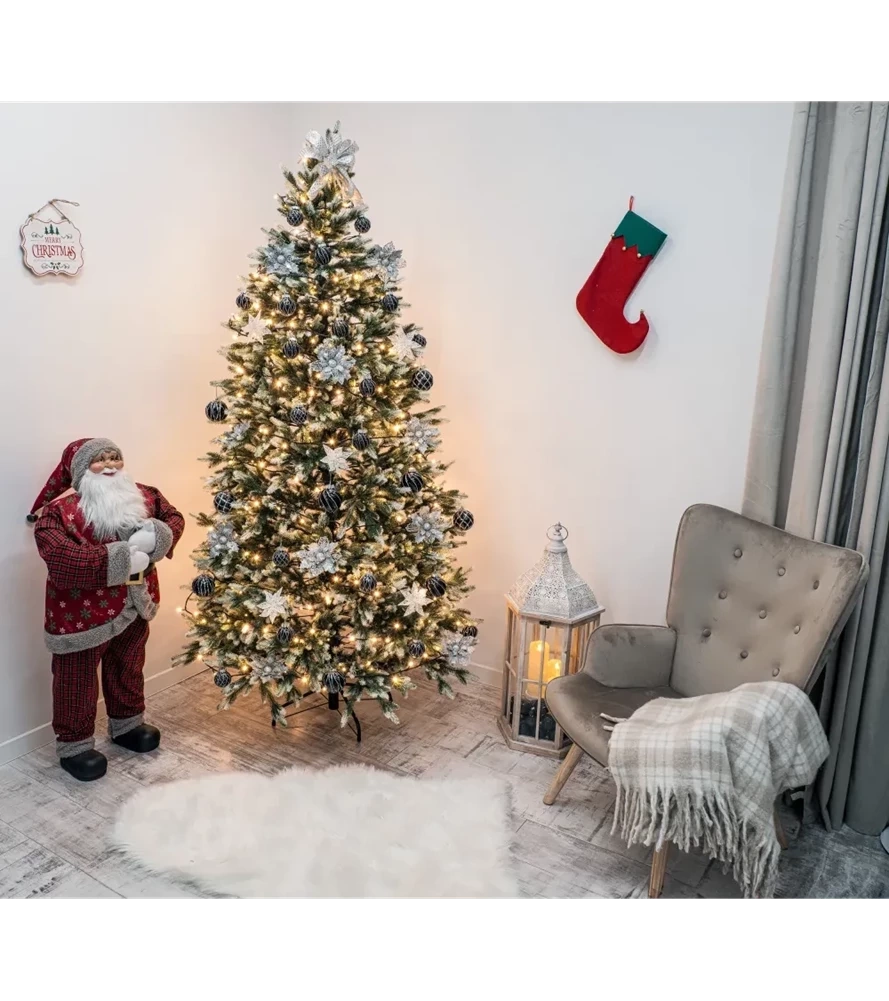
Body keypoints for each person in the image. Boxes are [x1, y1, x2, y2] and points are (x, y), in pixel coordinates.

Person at [28, 438, 184, 781]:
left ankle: (127, 723)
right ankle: (75, 745)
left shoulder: (145, 496)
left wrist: (158, 536)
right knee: (76, 679)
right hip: (81, 618)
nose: (111, 464)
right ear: (80, 470)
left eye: (115, 457)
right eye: (100, 459)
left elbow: (174, 518)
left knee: (128, 665)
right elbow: (62, 560)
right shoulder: (58, 513)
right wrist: (120, 558)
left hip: (136, 604)